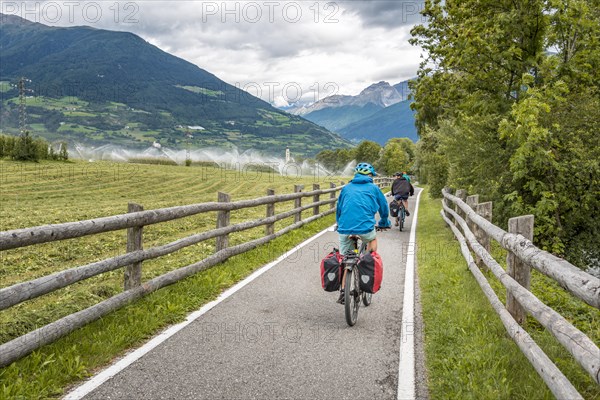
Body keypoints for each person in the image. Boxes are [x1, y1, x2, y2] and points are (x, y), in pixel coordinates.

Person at [336, 162, 391, 303]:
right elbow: (384, 207)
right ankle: (367, 261)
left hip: (344, 228)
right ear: (371, 175)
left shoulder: (346, 188)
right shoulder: (373, 188)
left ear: (356, 174)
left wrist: (340, 224)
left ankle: (343, 291)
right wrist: (384, 222)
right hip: (365, 228)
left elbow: (339, 209)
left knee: (345, 258)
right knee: (372, 242)